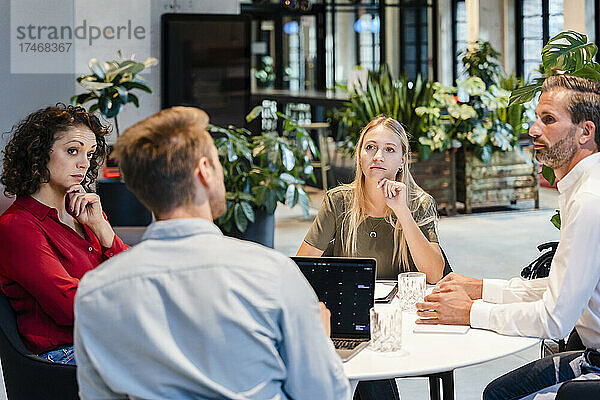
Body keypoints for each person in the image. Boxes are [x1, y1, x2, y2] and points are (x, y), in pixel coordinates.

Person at [73, 106, 351, 399]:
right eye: (217, 163)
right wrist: (319, 337)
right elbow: (325, 395)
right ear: (204, 171)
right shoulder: (271, 275)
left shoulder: (96, 292)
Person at [416, 74, 600, 399]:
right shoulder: (585, 187)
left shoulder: (588, 200)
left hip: (596, 362)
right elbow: (567, 290)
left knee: (500, 394)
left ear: (585, 132)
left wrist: (470, 312)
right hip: (590, 348)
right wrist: (481, 288)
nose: (533, 130)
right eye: (536, 117)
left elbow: (554, 318)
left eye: (548, 120)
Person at [297, 115, 446, 400]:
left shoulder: (418, 203)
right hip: (347, 317)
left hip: (401, 322)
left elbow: (435, 274)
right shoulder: (338, 202)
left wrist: (402, 211)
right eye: (370, 147)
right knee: (363, 363)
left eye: (390, 149)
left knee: (364, 367)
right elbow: (303, 269)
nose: (378, 156)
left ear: (403, 159)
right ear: (360, 156)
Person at [0, 104, 129, 364]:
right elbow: (71, 307)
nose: (84, 163)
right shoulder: (16, 226)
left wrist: (104, 232)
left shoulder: (90, 215)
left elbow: (139, 276)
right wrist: (133, 301)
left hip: (106, 342)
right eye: (73, 151)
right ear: (38, 153)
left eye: (90, 154)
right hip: (63, 358)